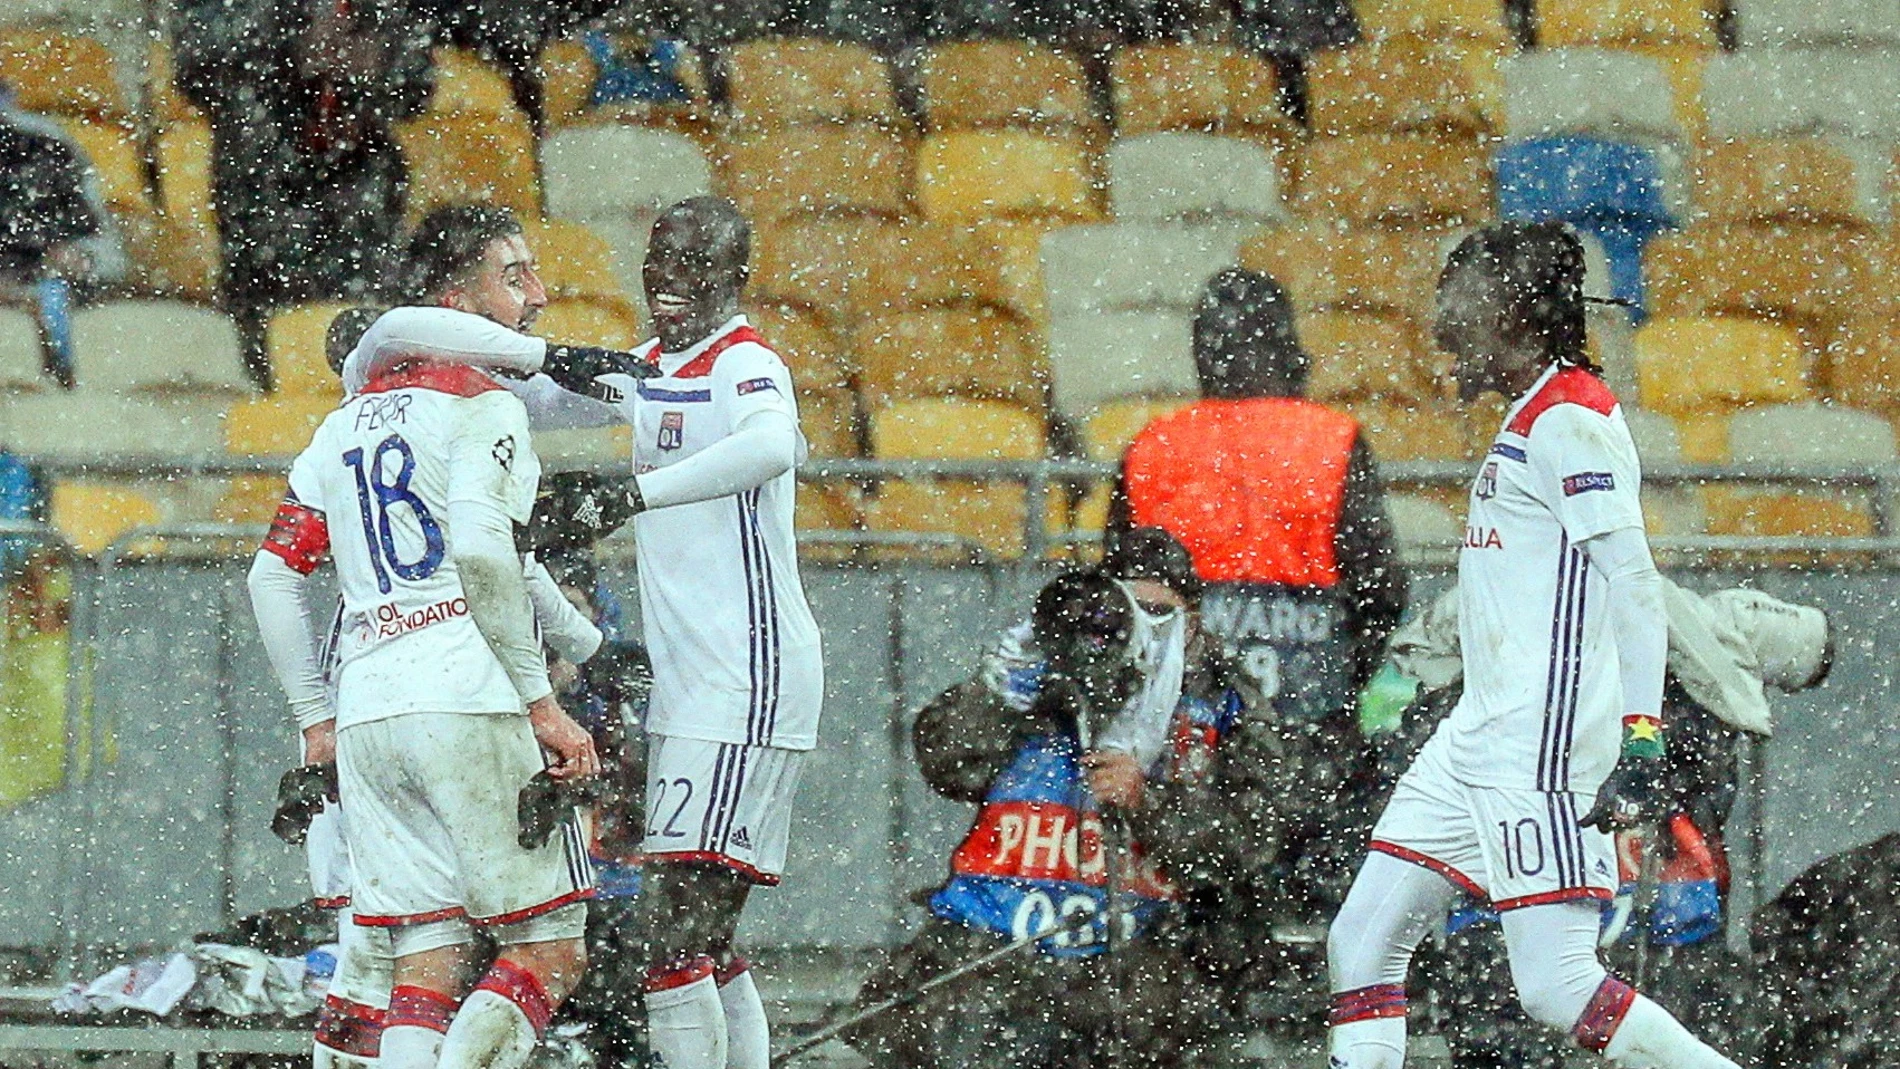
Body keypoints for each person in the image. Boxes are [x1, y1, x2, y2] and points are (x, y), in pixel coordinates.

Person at [345, 195, 824, 1069]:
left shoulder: (747, 361)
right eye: (658, 257)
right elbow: (507, 377)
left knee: (671, 934)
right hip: (694, 684)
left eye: (694, 261)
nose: (669, 277)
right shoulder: (647, 371)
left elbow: (771, 446)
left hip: (748, 674)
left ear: (735, 276)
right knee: (704, 939)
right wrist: (422, 346)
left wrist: (630, 493)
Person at [1322, 219, 1743, 1069]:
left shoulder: (1570, 421)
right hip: (1474, 739)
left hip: (1538, 753)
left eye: (1458, 304)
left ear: (1514, 314)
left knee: (1555, 986)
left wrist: (1641, 737)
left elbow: (1635, 584)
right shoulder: (1531, 414)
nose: (1442, 328)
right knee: (1360, 943)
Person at [252, 296, 609, 1069]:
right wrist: (546, 698)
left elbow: (269, 576)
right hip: (467, 695)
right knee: (549, 946)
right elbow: (493, 557)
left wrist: (314, 718)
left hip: (367, 708)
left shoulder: (335, 432)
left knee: (416, 958)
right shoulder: (476, 406)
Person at [846, 526, 1299, 1069]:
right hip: (991, 950)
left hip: (1144, 964)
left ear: (1193, 623)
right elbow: (947, 762)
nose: (1135, 629)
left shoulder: (1227, 704)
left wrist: (1147, 800)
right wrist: (995, 693)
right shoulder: (1044, 674)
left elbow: (1251, 841)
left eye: (1157, 612)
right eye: (1121, 610)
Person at [1376, 581, 1832, 1068]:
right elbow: (1802, 645)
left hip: (1542, 889)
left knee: (1507, 1010)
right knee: (1659, 1019)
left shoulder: (1503, 617)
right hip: (1647, 900)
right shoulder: (1696, 637)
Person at [1109, 266, 1407, 995]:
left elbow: (1115, 598)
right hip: (1311, 725)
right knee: (1321, 886)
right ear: (1289, 346)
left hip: (1186, 732)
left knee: (1200, 876)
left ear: (1201, 351)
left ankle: (1202, 988)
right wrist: (1340, 676)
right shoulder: (1333, 439)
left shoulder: (1152, 445)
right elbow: (1381, 587)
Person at [173, 0, 433, 379]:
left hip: (361, 172)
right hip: (262, 166)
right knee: (275, 342)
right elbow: (195, 66)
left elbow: (418, 83)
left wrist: (373, 63)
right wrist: (290, 39)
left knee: (365, 337)